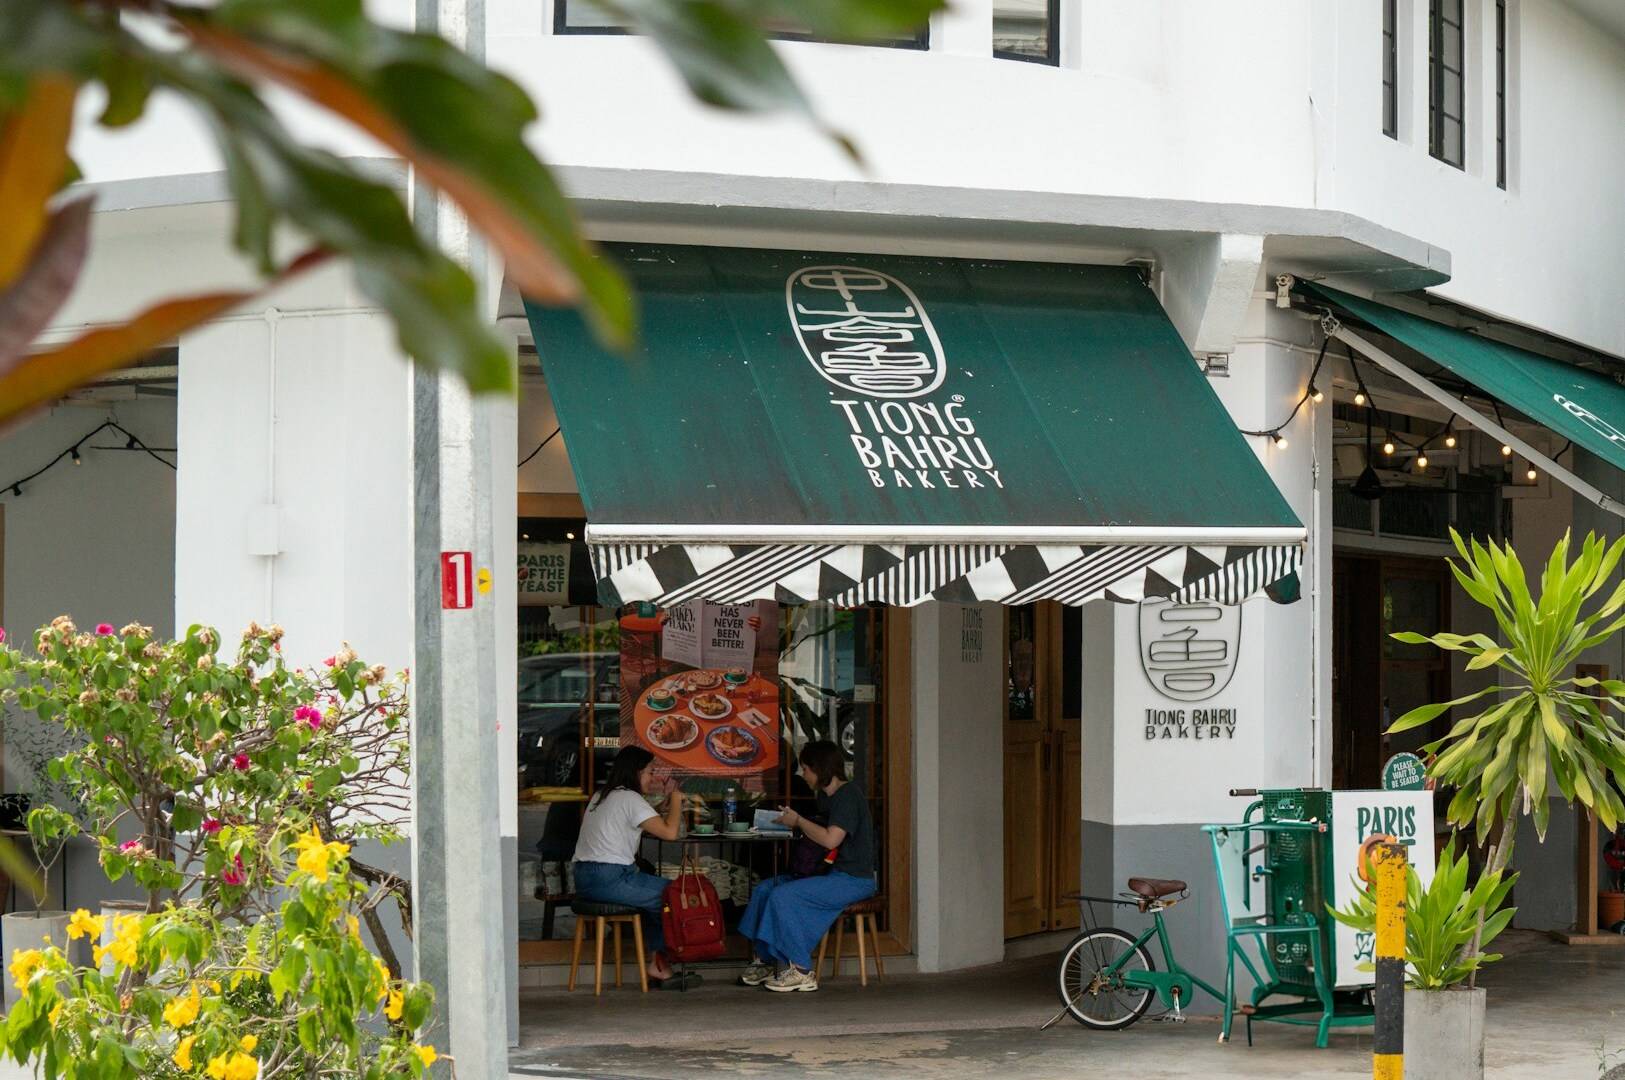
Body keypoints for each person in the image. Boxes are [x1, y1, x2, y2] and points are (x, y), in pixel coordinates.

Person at [737, 740, 877, 992]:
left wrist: (799, 821)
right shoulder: (826, 796)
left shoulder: (848, 796)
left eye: (806, 769)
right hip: (825, 872)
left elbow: (831, 838)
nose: (803, 774)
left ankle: (802, 970)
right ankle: (767, 960)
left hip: (852, 878)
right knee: (765, 889)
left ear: (820, 768)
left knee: (783, 896)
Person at [571, 746, 683, 982]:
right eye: (650, 772)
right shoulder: (630, 798)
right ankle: (660, 963)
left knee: (661, 892)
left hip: (584, 877)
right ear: (636, 771)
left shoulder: (602, 794)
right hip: (610, 878)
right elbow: (670, 833)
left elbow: (631, 819)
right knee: (672, 894)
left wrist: (658, 809)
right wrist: (676, 800)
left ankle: (659, 961)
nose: (652, 779)